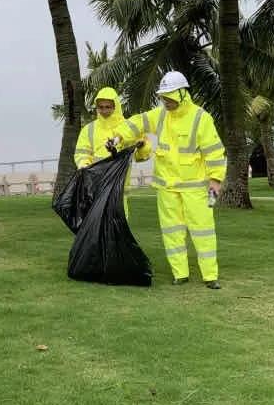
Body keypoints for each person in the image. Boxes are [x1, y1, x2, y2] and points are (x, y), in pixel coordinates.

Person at [110, 71, 226, 289]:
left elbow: (214, 152)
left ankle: (210, 276)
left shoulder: (201, 118)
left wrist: (215, 181)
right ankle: (180, 274)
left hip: (195, 188)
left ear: (182, 93)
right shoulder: (161, 115)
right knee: (172, 231)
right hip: (166, 187)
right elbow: (137, 123)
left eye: (169, 97)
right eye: (163, 97)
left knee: (203, 231)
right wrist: (118, 137)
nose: (166, 101)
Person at [74, 87, 152, 217]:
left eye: (108, 107)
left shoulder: (128, 127)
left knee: (117, 226)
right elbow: (82, 153)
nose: (104, 111)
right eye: (101, 107)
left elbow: (141, 156)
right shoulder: (89, 129)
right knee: (96, 226)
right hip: (95, 189)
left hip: (118, 191)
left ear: (116, 106)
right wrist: (83, 165)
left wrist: (142, 147)